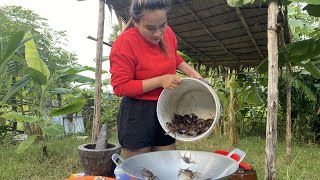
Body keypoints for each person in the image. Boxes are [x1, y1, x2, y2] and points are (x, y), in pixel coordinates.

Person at [109, 0, 202, 159]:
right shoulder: (124, 43)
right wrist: (160, 81)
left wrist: (191, 72)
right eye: (150, 28)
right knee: (139, 167)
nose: (158, 33)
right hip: (138, 112)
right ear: (136, 22)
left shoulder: (169, 33)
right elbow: (120, 87)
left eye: (162, 25)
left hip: (166, 106)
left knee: (166, 164)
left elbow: (173, 56)